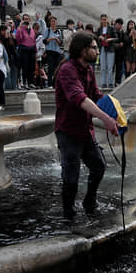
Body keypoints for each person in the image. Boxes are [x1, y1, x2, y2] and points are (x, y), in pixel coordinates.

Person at [54, 31, 119, 219]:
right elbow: (80, 98)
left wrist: (115, 110)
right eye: (94, 48)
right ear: (83, 50)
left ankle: (89, 202)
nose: (98, 51)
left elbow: (95, 95)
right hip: (68, 132)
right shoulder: (67, 70)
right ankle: (68, 214)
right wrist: (106, 119)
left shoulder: (89, 70)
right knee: (71, 178)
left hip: (85, 131)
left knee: (99, 166)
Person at [15, 13, 36, 90]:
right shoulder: (21, 29)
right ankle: (24, 82)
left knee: (31, 67)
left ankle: (31, 82)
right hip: (24, 49)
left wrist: (35, 51)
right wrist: (20, 27)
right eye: (24, 19)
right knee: (25, 67)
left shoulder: (31, 29)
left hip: (31, 50)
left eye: (27, 19)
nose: (26, 20)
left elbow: (34, 40)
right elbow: (18, 39)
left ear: (29, 20)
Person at [95, 14, 116, 89]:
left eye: (105, 19)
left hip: (110, 48)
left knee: (110, 67)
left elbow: (116, 38)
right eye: (102, 19)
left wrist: (110, 39)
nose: (104, 21)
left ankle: (110, 83)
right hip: (103, 48)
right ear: (101, 20)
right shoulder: (99, 29)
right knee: (103, 67)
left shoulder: (111, 28)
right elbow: (96, 38)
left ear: (107, 20)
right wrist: (99, 37)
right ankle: (103, 83)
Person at [43, 15, 62, 89]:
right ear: (50, 23)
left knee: (57, 69)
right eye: (52, 21)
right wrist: (50, 39)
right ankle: (50, 83)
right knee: (50, 68)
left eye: (55, 21)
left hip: (57, 52)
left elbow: (61, 43)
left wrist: (57, 40)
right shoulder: (47, 31)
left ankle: (55, 84)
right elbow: (44, 41)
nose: (54, 23)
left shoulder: (59, 31)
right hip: (50, 51)